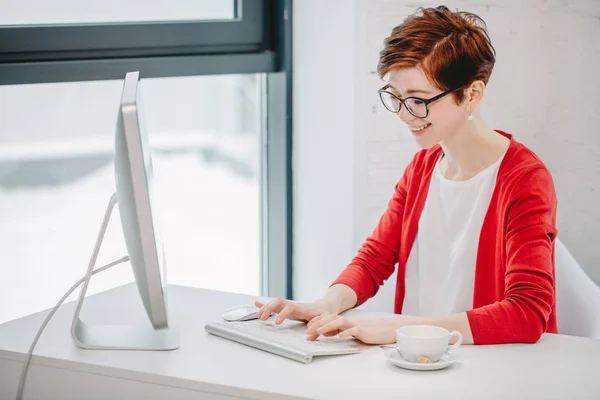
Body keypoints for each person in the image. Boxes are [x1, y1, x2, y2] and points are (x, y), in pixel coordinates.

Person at [255, 5, 558, 346]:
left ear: (471, 94)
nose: (403, 114)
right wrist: (323, 306)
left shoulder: (524, 179)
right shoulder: (423, 168)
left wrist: (398, 331)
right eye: (396, 97)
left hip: (489, 368)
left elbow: (527, 313)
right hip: (417, 361)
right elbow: (375, 258)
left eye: (418, 100)